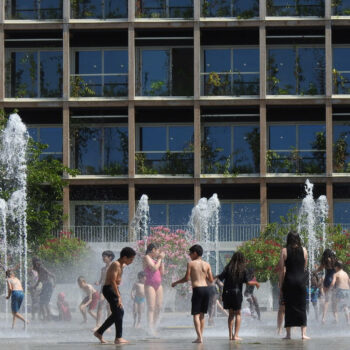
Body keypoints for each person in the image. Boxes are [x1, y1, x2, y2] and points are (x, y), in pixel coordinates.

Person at [172, 244, 214, 344]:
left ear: (195, 253)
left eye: (190, 253)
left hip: (197, 289)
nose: (189, 255)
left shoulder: (191, 264)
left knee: (195, 314)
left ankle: (199, 337)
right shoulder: (207, 264)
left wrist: (176, 282)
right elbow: (211, 280)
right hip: (206, 289)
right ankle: (200, 336)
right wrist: (204, 276)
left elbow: (186, 279)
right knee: (202, 315)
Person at [94, 247, 136, 345]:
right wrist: (119, 296)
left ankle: (99, 332)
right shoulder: (116, 264)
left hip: (112, 289)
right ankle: (118, 338)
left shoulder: (121, 264)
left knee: (118, 313)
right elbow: (112, 281)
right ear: (125, 257)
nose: (132, 261)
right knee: (119, 312)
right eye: (131, 259)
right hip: (109, 289)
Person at [216, 252, 260, 341]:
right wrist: (256, 283)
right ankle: (236, 335)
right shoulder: (243, 270)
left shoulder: (228, 268)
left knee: (231, 315)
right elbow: (247, 282)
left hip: (227, 293)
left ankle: (230, 335)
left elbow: (219, 278)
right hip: (236, 293)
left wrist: (211, 277)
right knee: (238, 314)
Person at [278, 231, 309, 340]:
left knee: (289, 307)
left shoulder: (284, 251)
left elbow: (281, 270)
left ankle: (288, 334)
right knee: (302, 306)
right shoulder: (304, 250)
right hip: (301, 282)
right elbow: (304, 268)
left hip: (289, 281)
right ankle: (303, 334)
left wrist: (281, 286)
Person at [143, 243, 165, 333]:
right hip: (149, 284)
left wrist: (161, 261)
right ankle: (150, 327)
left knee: (158, 307)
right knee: (151, 307)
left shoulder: (156, 260)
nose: (158, 253)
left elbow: (162, 273)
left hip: (158, 285)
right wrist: (159, 259)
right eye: (157, 251)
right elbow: (153, 268)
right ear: (153, 250)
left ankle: (154, 326)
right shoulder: (146, 258)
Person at [314, 249, 337, 324]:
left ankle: (323, 318)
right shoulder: (334, 260)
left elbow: (320, 268)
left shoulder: (325, 261)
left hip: (327, 279)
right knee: (333, 300)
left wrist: (315, 271)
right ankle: (335, 318)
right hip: (334, 279)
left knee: (326, 300)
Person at [95, 250, 115, 330]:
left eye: (104, 257)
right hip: (103, 289)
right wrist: (98, 282)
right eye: (102, 257)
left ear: (110, 257)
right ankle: (98, 325)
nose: (103, 258)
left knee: (108, 307)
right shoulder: (103, 268)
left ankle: (108, 325)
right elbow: (101, 279)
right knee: (100, 304)